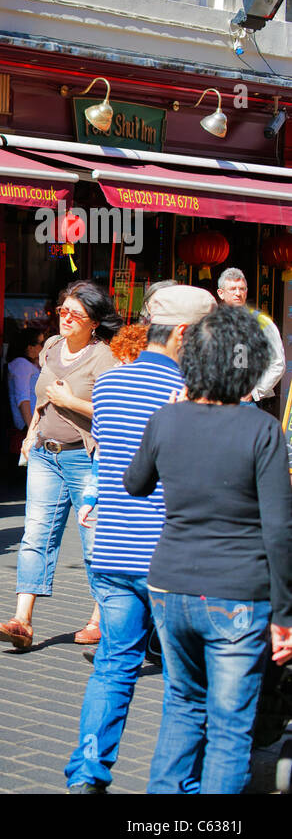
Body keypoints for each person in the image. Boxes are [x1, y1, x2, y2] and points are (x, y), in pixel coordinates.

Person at [124, 304, 292, 793]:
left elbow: (134, 484)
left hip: (170, 584)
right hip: (239, 591)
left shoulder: (165, 420)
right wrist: (284, 615)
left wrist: (174, 415)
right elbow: (279, 532)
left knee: (182, 703)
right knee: (230, 726)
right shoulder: (261, 430)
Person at [62, 285, 215, 793]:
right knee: (185, 685)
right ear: (189, 334)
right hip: (172, 556)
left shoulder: (108, 385)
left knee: (112, 668)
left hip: (112, 550)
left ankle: (86, 775)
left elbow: (111, 460)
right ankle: (173, 791)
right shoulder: (195, 392)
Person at [0, 281, 121, 649]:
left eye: (74, 314)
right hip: (46, 455)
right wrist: (32, 434)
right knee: (35, 534)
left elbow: (114, 413)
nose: (65, 318)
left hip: (86, 458)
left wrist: (70, 400)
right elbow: (42, 399)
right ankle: (22, 620)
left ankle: (101, 618)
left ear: (93, 321)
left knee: (95, 541)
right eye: (62, 311)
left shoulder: (106, 357)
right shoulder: (50, 347)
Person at [215, 267, 285, 408]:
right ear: (221, 293)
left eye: (242, 289)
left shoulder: (261, 322)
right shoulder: (211, 322)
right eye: (233, 289)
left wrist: (255, 391)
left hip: (245, 402)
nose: (238, 293)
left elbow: (278, 362)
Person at [7, 328, 43, 456]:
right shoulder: (21, 364)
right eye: (40, 344)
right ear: (30, 347)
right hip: (25, 427)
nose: (42, 348)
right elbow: (23, 399)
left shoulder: (28, 365)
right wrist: (31, 431)